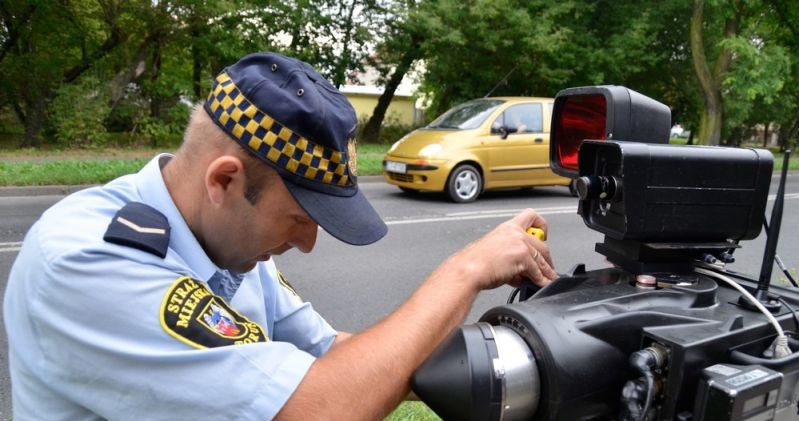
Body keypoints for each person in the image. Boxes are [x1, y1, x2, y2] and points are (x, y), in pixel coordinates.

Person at [3, 52, 557, 420]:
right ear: (224, 179)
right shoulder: (87, 260)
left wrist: (523, 352)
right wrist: (466, 271)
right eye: (298, 218)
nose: (308, 244)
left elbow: (335, 354)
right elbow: (320, 406)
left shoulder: (230, 245)